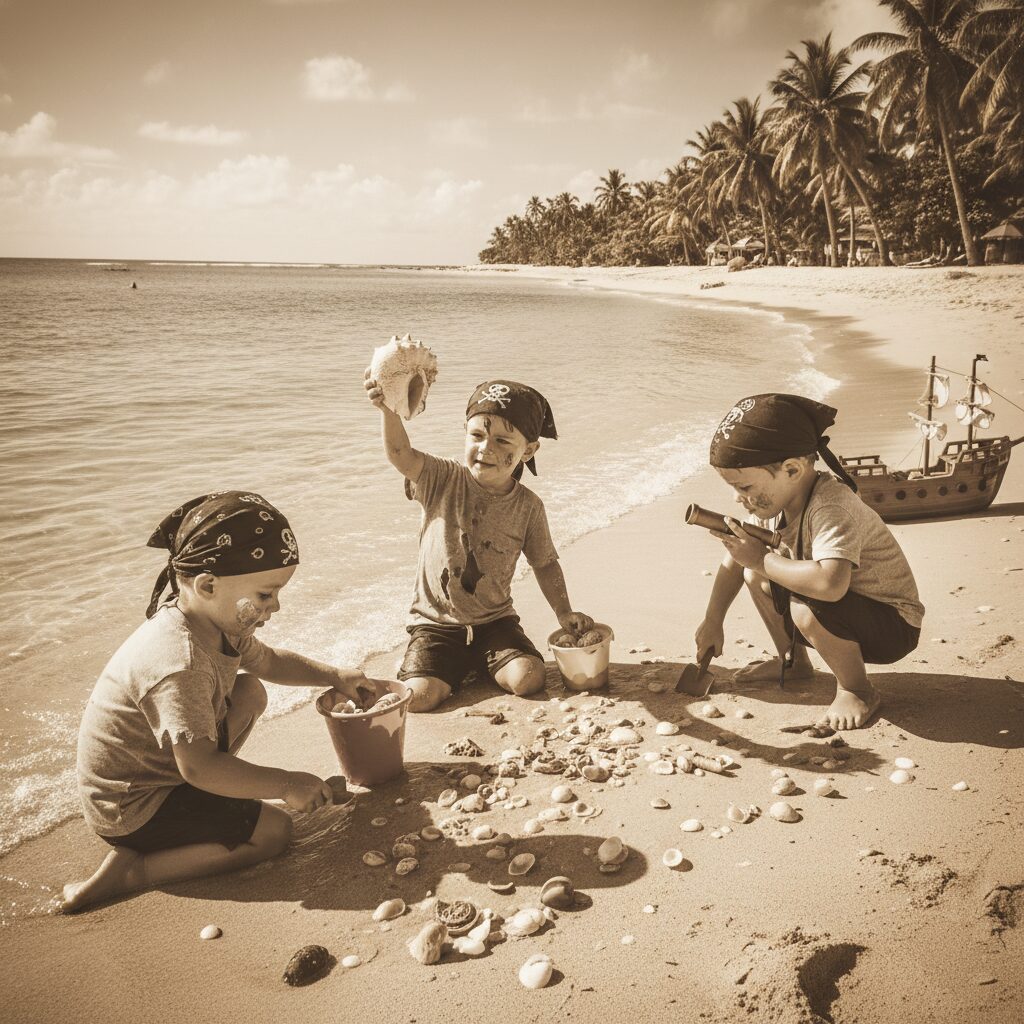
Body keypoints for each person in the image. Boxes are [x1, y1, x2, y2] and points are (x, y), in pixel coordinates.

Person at [63, 491, 385, 912]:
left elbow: (267, 661)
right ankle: (135, 871)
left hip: (169, 768)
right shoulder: (179, 663)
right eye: (266, 595)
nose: (277, 606)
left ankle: (210, 801)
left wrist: (332, 675)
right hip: (134, 805)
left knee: (250, 691)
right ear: (208, 584)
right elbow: (198, 766)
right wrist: (285, 784)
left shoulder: (217, 621)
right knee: (273, 833)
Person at [365, 374, 594, 712]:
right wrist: (389, 409)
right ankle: (452, 665)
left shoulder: (528, 507)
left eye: (503, 441)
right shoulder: (441, 478)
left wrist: (563, 611)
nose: (486, 448)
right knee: (418, 698)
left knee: (529, 679)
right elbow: (400, 452)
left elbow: (544, 562)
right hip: (435, 625)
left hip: (494, 622)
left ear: (528, 449)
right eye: (477, 435)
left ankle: (478, 663)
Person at [693, 394, 924, 730]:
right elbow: (735, 561)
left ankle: (857, 689)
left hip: (892, 624)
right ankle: (793, 662)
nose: (737, 498)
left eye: (743, 486)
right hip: (844, 611)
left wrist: (760, 558)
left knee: (800, 598)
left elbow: (830, 584)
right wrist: (713, 620)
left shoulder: (831, 507)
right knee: (756, 573)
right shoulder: (771, 504)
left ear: (792, 469)